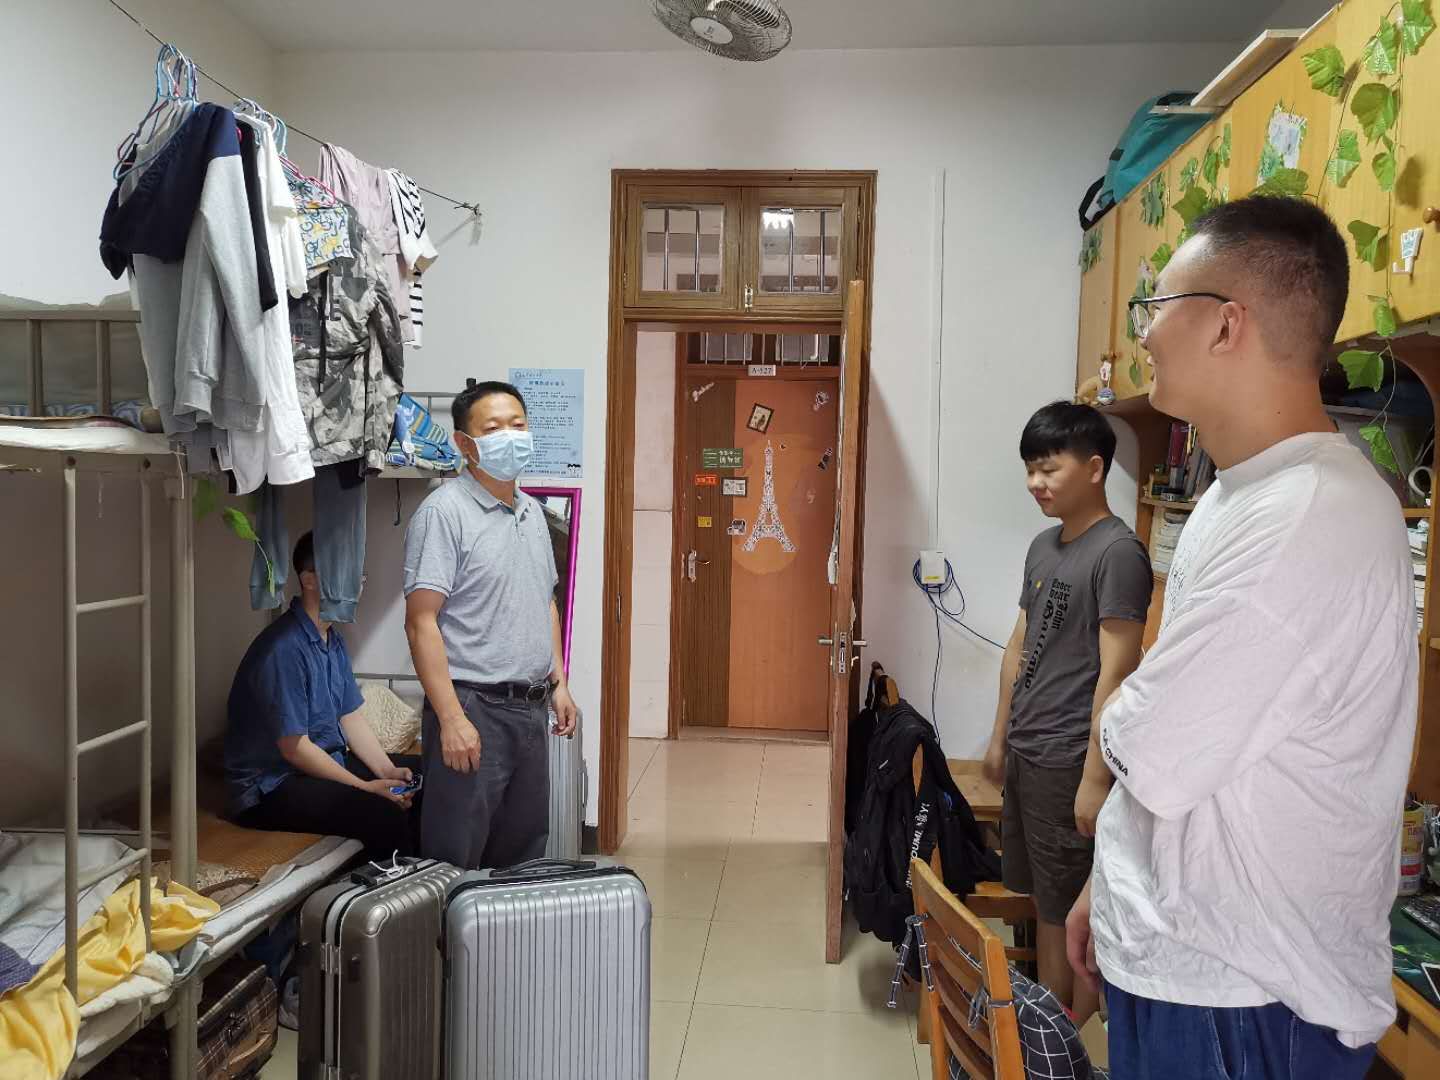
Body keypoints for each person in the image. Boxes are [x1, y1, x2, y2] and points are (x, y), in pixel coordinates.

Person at [1065, 196, 1417, 1078]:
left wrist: (1121, 712)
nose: (1145, 334)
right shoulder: (1236, 492)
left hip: (1245, 997)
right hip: (1183, 957)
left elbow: (1159, 745)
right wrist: (1106, 884)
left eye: (1156, 307)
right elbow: (1167, 737)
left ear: (1227, 324)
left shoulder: (1309, 514)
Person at [981, 400, 1151, 1023]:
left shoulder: (1119, 553)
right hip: (1028, 750)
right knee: (1041, 900)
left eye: (1049, 469)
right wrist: (999, 736)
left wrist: (1094, 777)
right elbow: (1020, 645)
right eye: (1030, 469)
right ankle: (1051, 1024)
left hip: (1068, 758)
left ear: (1095, 468)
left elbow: (1118, 673)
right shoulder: (1043, 546)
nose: (1036, 483)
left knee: (1066, 909)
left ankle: (1061, 1034)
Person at [403, 380, 579, 869]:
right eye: (494, 429)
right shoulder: (444, 513)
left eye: (518, 426)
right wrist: (452, 720)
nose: (510, 437)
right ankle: (448, 926)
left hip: (530, 710)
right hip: (473, 708)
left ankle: (506, 926)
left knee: (521, 854)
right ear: (465, 443)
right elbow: (420, 623)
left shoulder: (533, 513)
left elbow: (545, 602)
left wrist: (559, 681)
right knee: (455, 857)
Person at [226, 532, 419, 860]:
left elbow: (350, 716)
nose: (358, 584)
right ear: (309, 580)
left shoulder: (331, 639)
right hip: (272, 787)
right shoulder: (283, 649)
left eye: (359, 575)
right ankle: (384, 887)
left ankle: (429, 878)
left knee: (422, 776)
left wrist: (387, 771)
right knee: (380, 810)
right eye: (347, 573)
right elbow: (295, 748)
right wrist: (365, 787)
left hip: (318, 764)